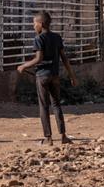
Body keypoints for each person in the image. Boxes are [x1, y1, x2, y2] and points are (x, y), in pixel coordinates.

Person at [16, 10, 77, 144]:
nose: (33, 27)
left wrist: (24, 66)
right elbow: (64, 58)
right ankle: (64, 136)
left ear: (41, 24)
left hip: (42, 76)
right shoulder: (57, 37)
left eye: (34, 24)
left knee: (44, 107)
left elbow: (39, 58)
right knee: (56, 105)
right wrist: (72, 76)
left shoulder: (39, 39)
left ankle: (48, 138)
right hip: (55, 76)